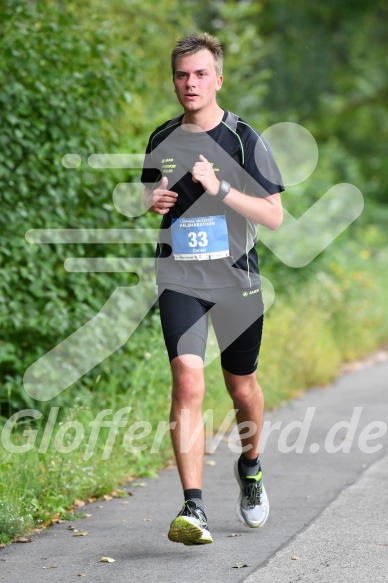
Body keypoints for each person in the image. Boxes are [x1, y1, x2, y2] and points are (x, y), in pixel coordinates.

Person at [141, 32, 284, 545]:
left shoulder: (245, 138)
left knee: (241, 386)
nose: (190, 83)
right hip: (179, 277)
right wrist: (151, 201)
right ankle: (193, 508)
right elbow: (147, 189)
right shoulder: (161, 136)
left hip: (236, 283)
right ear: (174, 80)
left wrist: (221, 188)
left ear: (218, 79)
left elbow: (273, 215)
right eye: (182, 75)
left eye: (201, 74)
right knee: (186, 379)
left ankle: (250, 466)